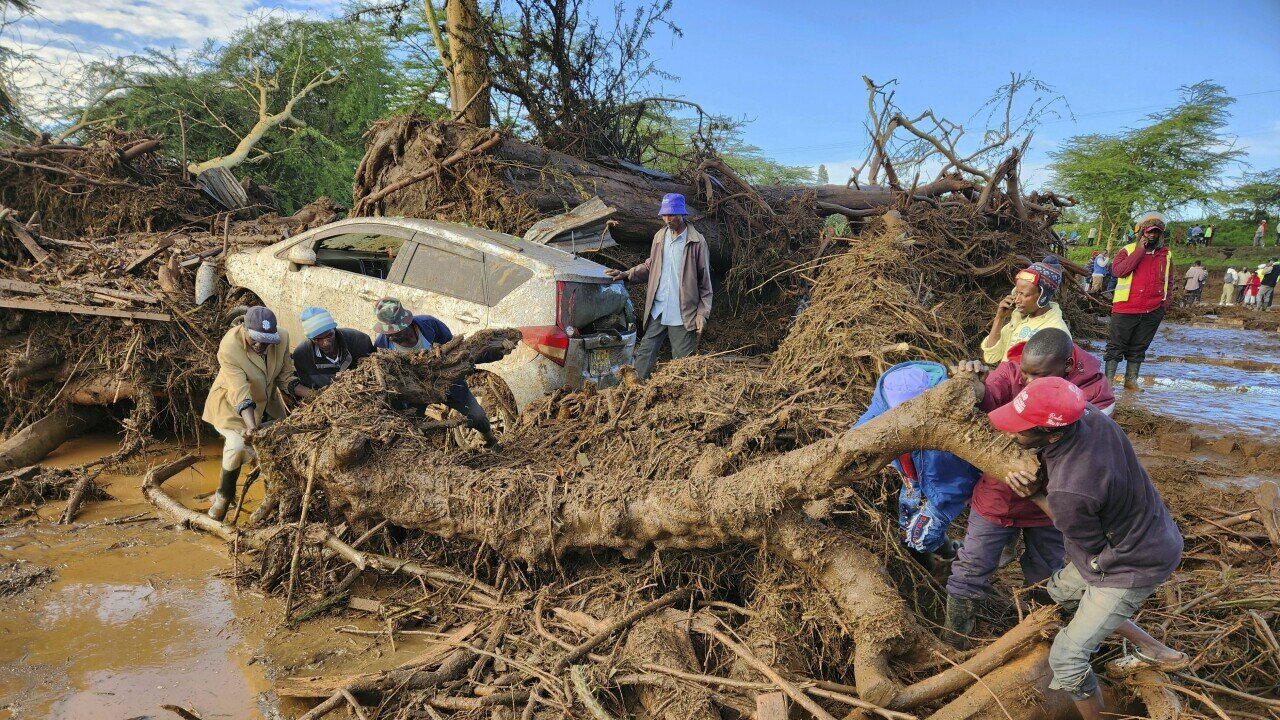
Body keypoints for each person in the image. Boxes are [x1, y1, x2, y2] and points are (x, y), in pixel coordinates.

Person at [989, 377, 1187, 720]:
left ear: (1052, 435)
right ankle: (1158, 651)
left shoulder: (1071, 489)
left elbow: (1088, 544)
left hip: (1129, 564)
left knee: (1066, 658)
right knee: (1060, 592)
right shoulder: (1087, 413)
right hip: (1151, 528)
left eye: (1020, 431)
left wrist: (1035, 494)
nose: (1011, 434)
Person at [944, 329, 1115, 648]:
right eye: (1026, 372)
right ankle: (954, 641)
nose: (1028, 380)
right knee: (971, 567)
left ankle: (1036, 637)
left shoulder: (1093, 390)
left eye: (1039, 375)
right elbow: (987, 396)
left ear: (1066, 366)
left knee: (1045, 574)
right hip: (999, 496)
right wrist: (970, 382)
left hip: (1052, 506)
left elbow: (1092, 452)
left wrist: (1040, 472)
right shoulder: (1013, 370)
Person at [855, 362, 980, 570]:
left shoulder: (948, 409)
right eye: (896, 413)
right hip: (913, 479)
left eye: (907, 412)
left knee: (919, 539)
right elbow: (860, 430)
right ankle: (947, 551)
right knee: (906, 527)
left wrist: (970, 489)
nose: (900, 420)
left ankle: (959, 559)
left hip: (945, 488)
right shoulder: (886, 395)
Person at [202, 306, 314, 521]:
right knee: (237, 446)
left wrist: (314, 395)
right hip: (232, 406)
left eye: (267, 340)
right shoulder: (229, 347)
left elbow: (286, 378)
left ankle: (271, 502)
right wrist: (252, 427)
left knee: (281, 446)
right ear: (244, 329)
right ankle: (223, 498)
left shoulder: (281, 338)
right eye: (256, 340)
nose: (261, 346)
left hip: (267, 405)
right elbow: (240, 391)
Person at [606, 193, 713, 381]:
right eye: (664, 215)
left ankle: (681, 404)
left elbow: (705, 285)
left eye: (671, 215)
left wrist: (701, 314)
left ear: (682, 214)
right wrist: (626, 274)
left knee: (683, 366)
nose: (667, 219)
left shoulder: (697, 242)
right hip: (659, 309)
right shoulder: (659, 237)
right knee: (644, 355)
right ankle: (633, 394)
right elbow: (650, 266)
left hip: (683, 313)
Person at [372, 298, 498, 446]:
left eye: (395, 332)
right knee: (409, 428)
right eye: (387, 332)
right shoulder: (382, 344)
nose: (390, 336)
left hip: (446, 381)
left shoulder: (429, 325)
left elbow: (456, 351)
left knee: (477, 415)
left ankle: (488, 440)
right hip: (414, 391)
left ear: (406, 323)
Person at [1105, 211, 1172, 392]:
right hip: (1126, 307)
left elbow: (1169, 280)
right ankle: (1107, 384)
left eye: (1156, 232)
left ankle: (1131, 382)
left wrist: (1164, 304)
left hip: (1153, 309)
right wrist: (1140, 250)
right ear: (1142, 232)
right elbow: (1119, 271)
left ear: (1161, 234)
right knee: (1115, 347)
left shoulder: (1166, 255)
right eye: (1149, 232)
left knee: (1139, 347)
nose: (1152, 235)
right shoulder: (1127, 250)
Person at [981, 257, 1070, 364]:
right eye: (1016, 292)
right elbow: (991, 357)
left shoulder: (1055, 331)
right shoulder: (1018, 319)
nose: (1017, 300)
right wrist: (999, 318)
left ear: (1043, 297)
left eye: (1024, 294)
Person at [292, 307, 375, 390]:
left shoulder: (360, 341)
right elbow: (310, 389)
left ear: (334, 329)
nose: (326, 343)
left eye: (329, 335)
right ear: (310, 339)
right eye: (317, 339)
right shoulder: (302, 356)